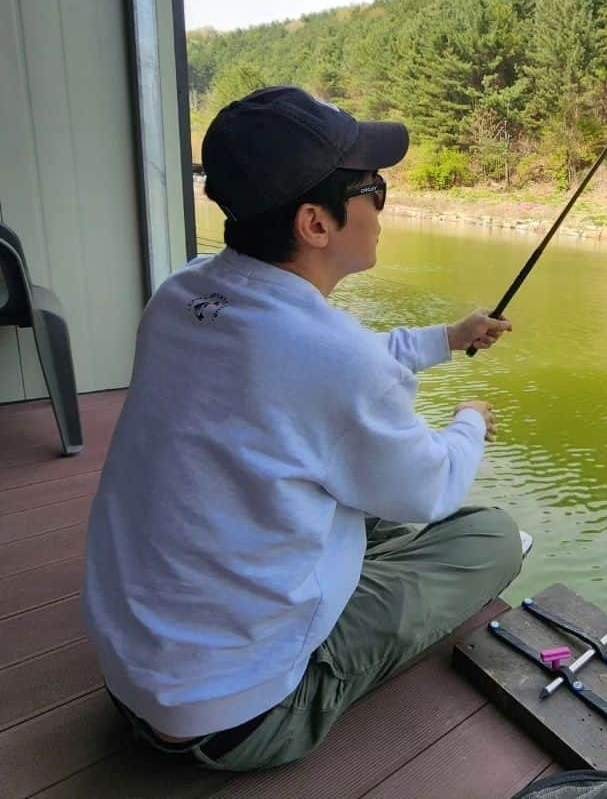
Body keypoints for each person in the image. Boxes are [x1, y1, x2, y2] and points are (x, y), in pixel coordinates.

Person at [83, 86, 523, 771]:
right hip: (238, 718)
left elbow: (316, 361)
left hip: (136, 676)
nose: (383, 204)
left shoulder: (183, 295)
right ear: (317, 224)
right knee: (490, 538)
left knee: (357, 490)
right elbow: (430, 488)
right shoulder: (332, 360)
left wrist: (448, 338)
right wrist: (468, 421)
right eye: (373, 187)